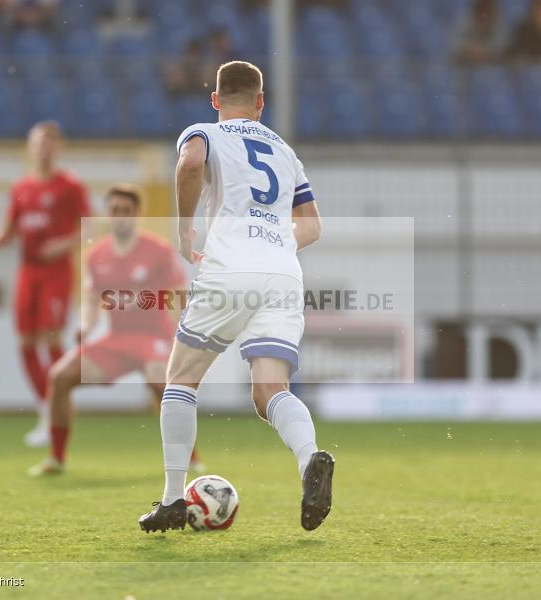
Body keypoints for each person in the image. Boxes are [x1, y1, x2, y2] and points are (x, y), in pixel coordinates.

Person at [137, 61, 334, 533]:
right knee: (270, 392)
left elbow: (189, 165)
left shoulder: (202, 130)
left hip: (229, 268)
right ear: (262, 102)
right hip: (283, 272)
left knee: (181, 379)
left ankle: (170, 500)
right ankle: (310, 457)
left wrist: (184, 229)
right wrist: (275, 243)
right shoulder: (286, 152)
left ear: (216, 98)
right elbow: (311, 226)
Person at [27, 185, 205, 476]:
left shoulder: (157, 250)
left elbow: (178, 291)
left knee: (163, 385)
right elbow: (92, 299)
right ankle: (56, 458)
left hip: (153, 338)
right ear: (108, 214)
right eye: (115, 211)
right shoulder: (97, 256)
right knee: (60, 377)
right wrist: (86, 326)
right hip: (118, 340)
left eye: (127, 211)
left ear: (137, 214)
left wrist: (179, 333)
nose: (121, 217)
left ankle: (191, 457)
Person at [0, 121, 90, 447]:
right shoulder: (21, 188)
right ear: (29, 147)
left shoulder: (70, 186)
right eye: (38, 143)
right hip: (27, 272)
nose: (43, 149)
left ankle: (57, 407)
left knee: (50, 338)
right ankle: (46, 408)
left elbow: (89, 226)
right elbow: (7, 230)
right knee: (25, 343)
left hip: (56, 272)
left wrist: (65, 244)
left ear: (59, 148)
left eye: (49, 143)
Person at [454, 0, 508, 65]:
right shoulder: (466, 20)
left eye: (487, 7)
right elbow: (456, 41)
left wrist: (484, 52)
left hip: (492, 61)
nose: (485, 10)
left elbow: (502, 44)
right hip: (467, 59)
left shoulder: (499, 22)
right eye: (483, 6)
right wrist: (472, 51)